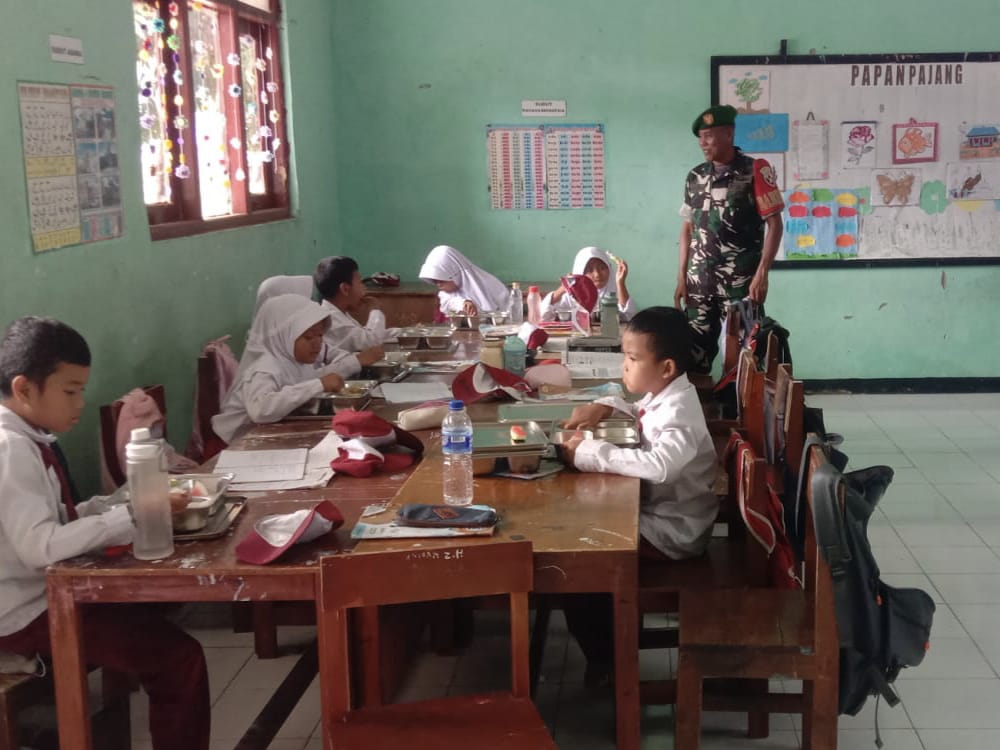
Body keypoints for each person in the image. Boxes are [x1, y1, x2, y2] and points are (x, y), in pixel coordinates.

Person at [0, 316, 210, 750]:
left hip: (42, 594)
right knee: (178, 660)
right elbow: (40, 546)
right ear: (24, 389)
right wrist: (133, 512)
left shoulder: (27, 437)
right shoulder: (10, 447)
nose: (79, 403)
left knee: (148, 621)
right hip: (22, 613)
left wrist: (119, 502)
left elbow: (56, 518)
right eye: (70, 391)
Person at [558, 306, 718, 685]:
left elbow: (662, 466)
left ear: (666, 367)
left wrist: (590, 453)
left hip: (672, 532)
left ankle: (607, 659)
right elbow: (639, 410)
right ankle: (607, 644)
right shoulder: (667, 393)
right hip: (657, 512)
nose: (624, 367)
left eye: (632, 359)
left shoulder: (680, 413)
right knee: (584, 532)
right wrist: (604, 405)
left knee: (579, 566)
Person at [674, 104, 784, 374]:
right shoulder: (695, 176)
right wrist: (681, 277)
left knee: (742, 364)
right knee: (692, 358)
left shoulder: (754, 171)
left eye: (708, 136)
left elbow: (775, 224)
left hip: (740, 287)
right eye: (700, 137)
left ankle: (734, 402)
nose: (703, 143)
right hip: (699, 285)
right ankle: (699, 403)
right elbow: (688, 228)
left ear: (729, 134)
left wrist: (762, 274)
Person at [212, 294, 346, 444]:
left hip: (264, 438)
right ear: (284, 337)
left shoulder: (297, 361)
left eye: (320, 335)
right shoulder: (265, 368)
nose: (317, 343)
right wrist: (318, 384)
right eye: (308, 337)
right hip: (233, 444)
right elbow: (260, 410)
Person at [313, 256, 394, 365]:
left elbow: (366, 334)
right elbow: (371, 342)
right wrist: (375, 310)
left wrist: (404, 332)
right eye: (360, 283)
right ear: (345, 289)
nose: (364, 289)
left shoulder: (341, 314)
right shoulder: (330, 320)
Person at [540, 246, 635, 322]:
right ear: (580, 272)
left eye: (602, 268)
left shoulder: (615, 290)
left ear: (609, 269)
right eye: (589, 270)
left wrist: (620, 282)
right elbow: (544, 316)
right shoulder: (571, 295)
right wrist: (562, 288)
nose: (597, 274)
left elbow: (629, 317)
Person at [418, 245, 508, 317]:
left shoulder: (491, 285)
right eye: (435, 281)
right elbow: (449, 303)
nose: (438, 284)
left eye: (441, 280)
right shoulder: (446, 294)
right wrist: (463, 303)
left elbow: (507, 310)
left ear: (454, 275)